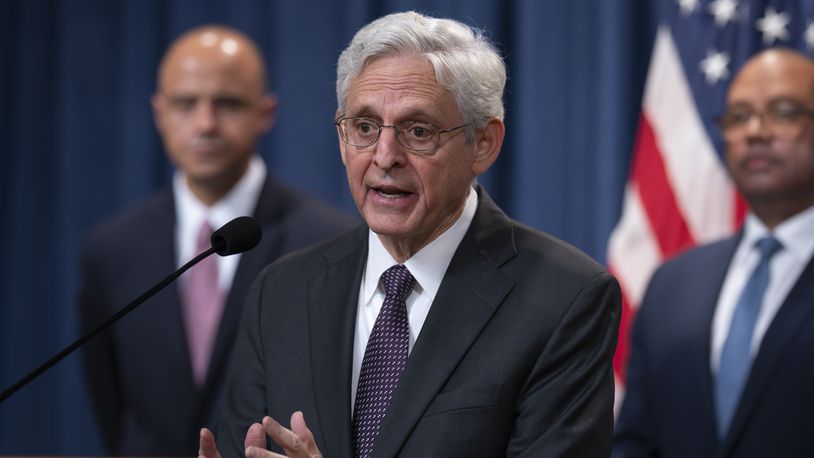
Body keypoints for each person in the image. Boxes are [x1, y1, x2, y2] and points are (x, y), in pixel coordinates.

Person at [198, 11, 621, 457]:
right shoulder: (282, 292)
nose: (385, 156)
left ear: (483, 144)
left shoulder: (565, 300)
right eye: (364, 127)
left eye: (418, 131)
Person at [77, 25, 358, 456]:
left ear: (266, 113)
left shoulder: (331, 239)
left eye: (227, 104)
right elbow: (111, 406)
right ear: (159, 112)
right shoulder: (111, 249)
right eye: (186, 104)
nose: (205, 123)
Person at [614, 48, 814, 458]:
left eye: (783, 111)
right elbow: (635, 441)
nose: (755, 132)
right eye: (738, 117)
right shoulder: (673, 283)